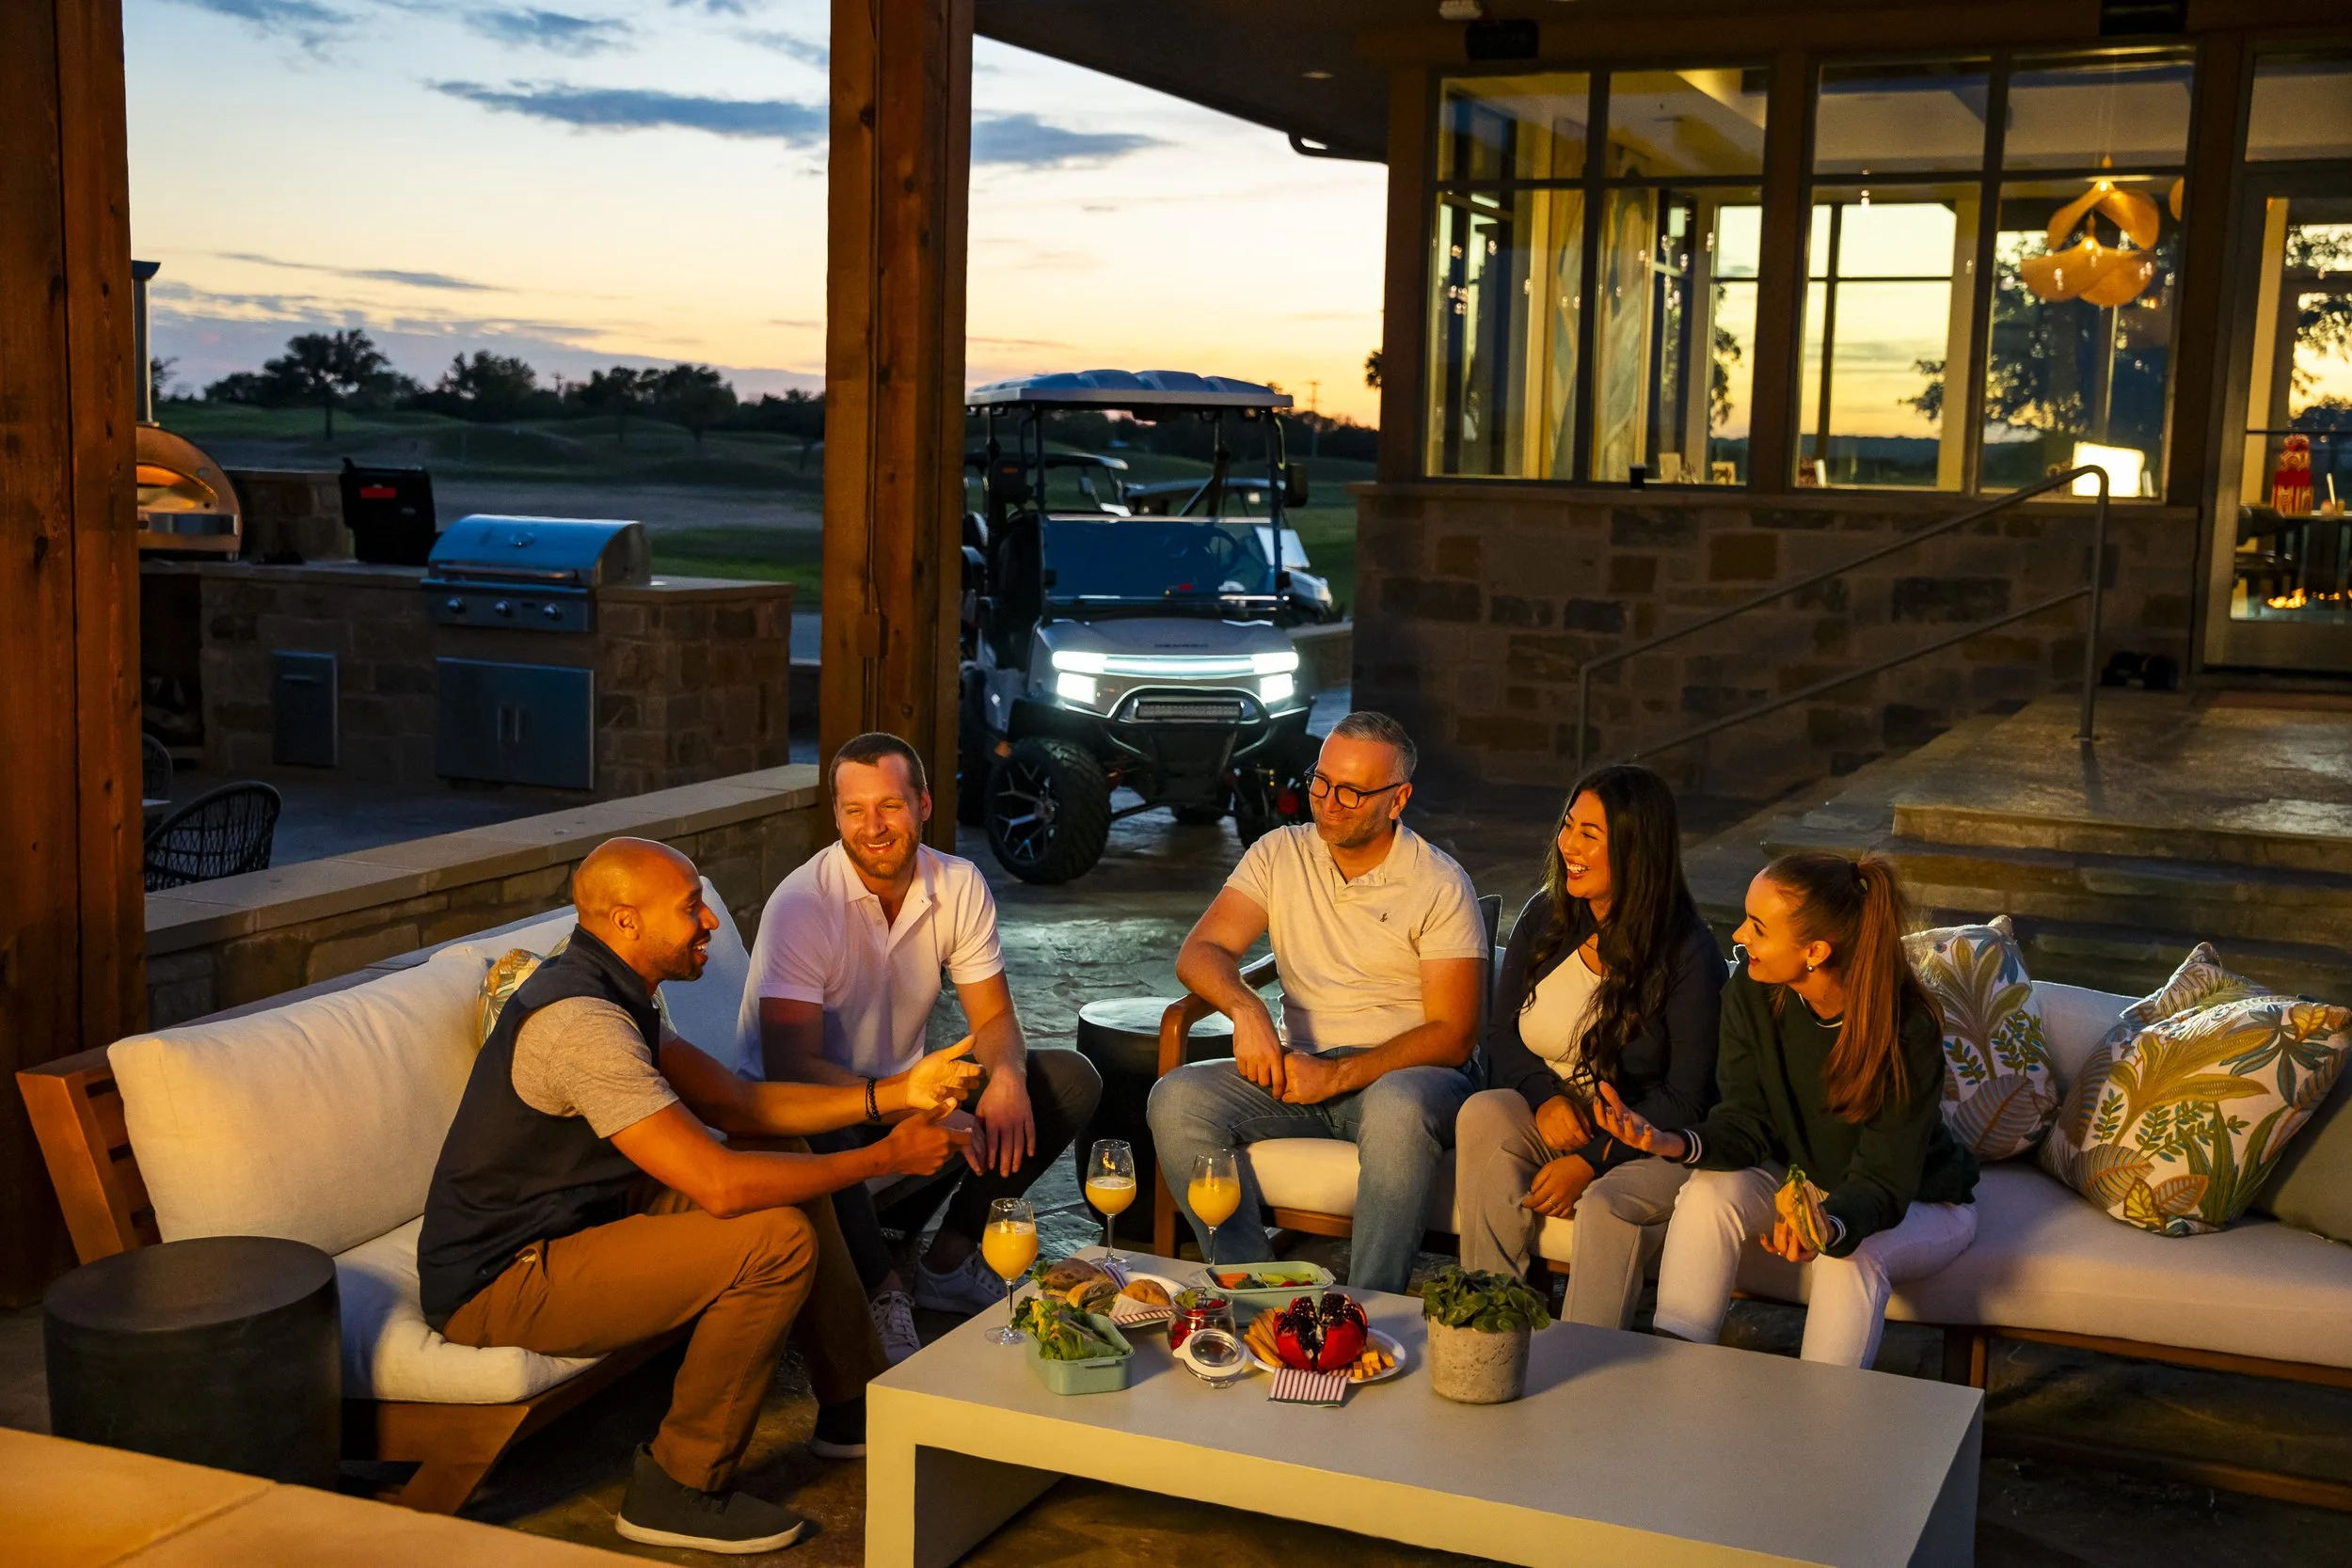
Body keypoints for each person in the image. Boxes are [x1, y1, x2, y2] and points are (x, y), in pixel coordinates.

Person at [418, 837, 979, 1555]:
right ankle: (678, 1485)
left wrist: (899, 1095)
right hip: (505, 1277)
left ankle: (854, 1409)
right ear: (625, 921)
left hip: (587, 1221)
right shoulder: (581, 1024)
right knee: (773, 1241)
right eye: (689, 907)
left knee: (780, 1158)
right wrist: (886, 1156)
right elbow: (717, 1181)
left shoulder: (616, 989)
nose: (710, 919)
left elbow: (740, 1105)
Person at [745, 732, 1102, 1361]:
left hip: (904, 1090)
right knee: (822, 1121)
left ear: (925, 805)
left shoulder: (957, 883)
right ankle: (883, 1293)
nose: (873, 826)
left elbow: (991, 1018)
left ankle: (949, 1261)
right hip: (811, 1113)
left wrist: (1009, 1080)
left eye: (890, 805)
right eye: (854, 810)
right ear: (835, 816)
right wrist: (913, 1103)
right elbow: (789, 1067)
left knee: (1066, 1079)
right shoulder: (803, 904)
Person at [1593, 851, 1979, 1370]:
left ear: (1815, 950)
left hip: (1919, 1200)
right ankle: (1673, 1377)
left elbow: (1883, 1181)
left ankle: (1820, 1425)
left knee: (1849, 1258)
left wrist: (1827, 1227)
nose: (1738, 937)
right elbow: (1746, 1121)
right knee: (1708, 1191)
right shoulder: (1753, 992)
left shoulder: (1905, 1029)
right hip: (1808, 1181)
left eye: (1757, 927)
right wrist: (1670, 1141)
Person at [1146, 711, 1487, 1295]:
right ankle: (1261, 1294)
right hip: (1299, 1070)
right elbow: (1200, 951)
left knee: (1398, 1107)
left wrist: (1338, 1075)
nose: (1328, 803)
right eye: (1321, 782)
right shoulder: (1280, 853)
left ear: (1397, 799)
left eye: (1352, 792)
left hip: (1408, 1074)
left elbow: (1455, 1033)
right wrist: (1248, 1010)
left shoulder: (1439, 884)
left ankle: (1365, 1310)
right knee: (1176, 1099)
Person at [1454, 764, 1724, 1325]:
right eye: (1568, 825)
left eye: (1589, 835)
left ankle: (1583, 1362)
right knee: (1484, 1110)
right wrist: (1542, 1097)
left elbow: (1686, 1100)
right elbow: (1500, 1035)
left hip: (1651, 1140)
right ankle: (1494, 1318)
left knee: (1603, 1203)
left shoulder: (1688, 952)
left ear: (1634, 849)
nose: (1567, 845)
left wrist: (1589, 1159)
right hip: (1561, 1116)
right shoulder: (1548, 914)